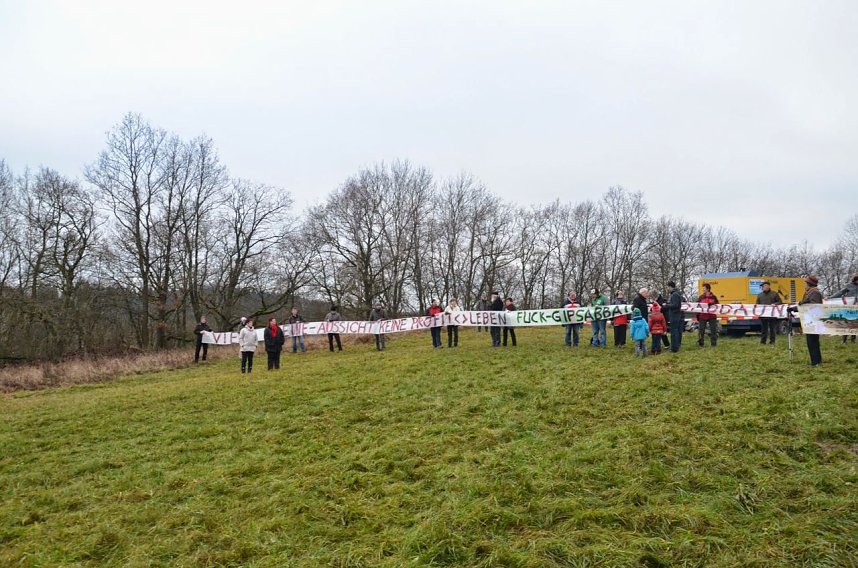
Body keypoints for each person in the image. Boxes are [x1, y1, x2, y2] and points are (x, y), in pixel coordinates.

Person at [799, 275, 823, 366]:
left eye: (806, 283)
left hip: (813, 320)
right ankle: (817, 361)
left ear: (809, 284)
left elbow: (814, 306)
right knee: (812, 342)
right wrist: (795, 308)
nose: (805, 285)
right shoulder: (810, 292)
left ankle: (816, 362)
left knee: (812, 342)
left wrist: (803, 303)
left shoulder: (814, 292)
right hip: (809, 319)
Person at [830, 273, 858, 344]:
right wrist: (830, 297)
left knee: (855, 323)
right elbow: (840, 293)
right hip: (849, 307)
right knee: (847, 323)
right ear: (855, 279)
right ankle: (844, 340)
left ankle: (853, 340)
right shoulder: (849, 286)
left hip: (857, 308)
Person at [696, 283, 719, 347]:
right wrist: (697, 315)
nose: (703, 290)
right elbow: (697, 306)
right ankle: (701, 344)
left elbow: (717, 305)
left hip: (712, 316)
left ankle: (713, 344)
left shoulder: (714, 297)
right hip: (703, 316)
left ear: (708, 289)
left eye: (704, 288)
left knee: (713, 330)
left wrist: (712, 305)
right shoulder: (701, 297)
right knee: (701, 330)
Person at [666, 281, 684, 352]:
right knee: (676, 331)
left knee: (674, 332)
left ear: (670, 287)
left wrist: (667, 305)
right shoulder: (676, 294)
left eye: (667, 287)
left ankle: (674, 348)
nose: (667, 288)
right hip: (676, 315)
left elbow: (676, 305)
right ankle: (675, 346)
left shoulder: (674, 294)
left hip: (675, 315)